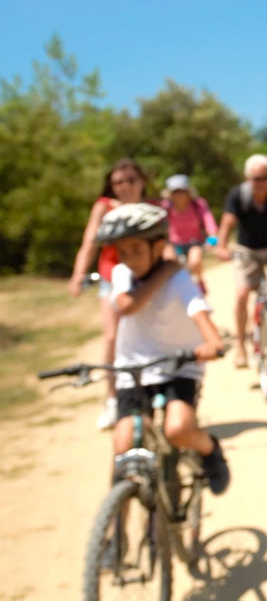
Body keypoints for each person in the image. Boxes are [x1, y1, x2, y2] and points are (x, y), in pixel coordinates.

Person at [95, 203, 229, 495]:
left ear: (158, 246)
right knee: (123, 445)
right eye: (123, 251)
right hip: (133, 367)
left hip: (178, 364)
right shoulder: (122, 274)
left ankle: (210, 450)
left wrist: (213, 345)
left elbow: (204, 322)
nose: (129, 259)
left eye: (136, 249)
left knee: (178, 429)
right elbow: (128, 306)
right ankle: (113, 531)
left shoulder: (181, 282)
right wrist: (165, 269)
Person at [68, 158, 153, 430]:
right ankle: (112, 399)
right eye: (119, 182)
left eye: (131, 180)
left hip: (146, 278)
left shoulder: (151, 209)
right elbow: (89, 243)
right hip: (111, 277)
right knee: (113, 336)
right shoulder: (103, 207)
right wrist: (78, 274)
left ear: (141, 182)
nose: (125, 186)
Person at [215, 154, 267, 368]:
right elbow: (227, 223)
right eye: (255, 178)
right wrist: (222, 246)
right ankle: (241, 346)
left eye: (264, 177)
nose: (260, 182)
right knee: (243, 294)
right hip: (247, 250)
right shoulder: (238, 195)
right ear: (247, 177)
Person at [163, 174, 218, 293]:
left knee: (195, 261)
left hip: (195, 243)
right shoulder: (166, 207)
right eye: (175, 192)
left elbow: (209, 222)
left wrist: (212, 239)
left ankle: (199, 281)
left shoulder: (198, 205)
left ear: (188, 192)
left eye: (182, 191)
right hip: (174, 245)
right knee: (169, 266)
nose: (179, 195)